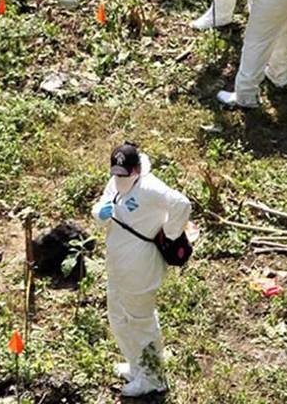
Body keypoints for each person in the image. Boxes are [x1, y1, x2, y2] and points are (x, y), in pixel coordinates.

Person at [92, 142, 191, 397]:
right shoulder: (116, 180)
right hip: (117, 266)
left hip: (139, 269)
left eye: (124, 174)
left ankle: (153, 378)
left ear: (135, 169)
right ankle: (136, 365)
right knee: (118, 317)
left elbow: (181, 205)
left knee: (141, 322)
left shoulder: (150, 187)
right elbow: (104, 201)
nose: (119, 178)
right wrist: (99, 214)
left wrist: (169, 233)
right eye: (115, 173)